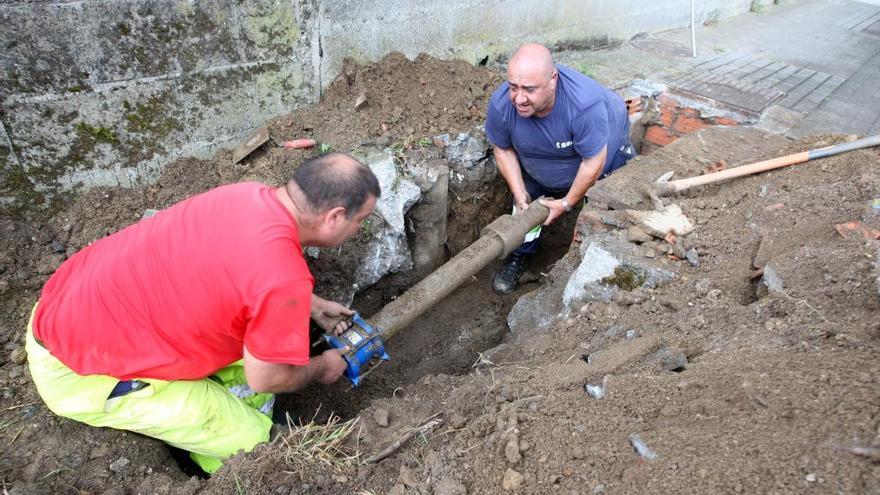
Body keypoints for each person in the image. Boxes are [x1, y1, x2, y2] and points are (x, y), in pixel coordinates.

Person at [25, 152, 381, 474]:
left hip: (71, 306)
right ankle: (217, 471)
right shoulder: (279, 277)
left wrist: (311, 303)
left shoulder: (244, 196)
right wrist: (323, 367)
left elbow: (242, 272)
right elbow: (266, 378)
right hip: (78, 371)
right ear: (334, 217)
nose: (360, 229)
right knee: (257, 447)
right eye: (361, 220)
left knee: (254, 364)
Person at [485, 43, 637, 294]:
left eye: (529, 89)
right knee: (524, 202)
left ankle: (583, 261)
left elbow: (592, 162)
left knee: (604, 202)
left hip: (601, 148)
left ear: (553, 79)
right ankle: (521, 254)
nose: (519, 98)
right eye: (513, 87)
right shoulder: (502, 105)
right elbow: (502, 149)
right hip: (543, 156)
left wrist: (567, 203)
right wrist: (520, 192)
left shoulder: (584, 107)